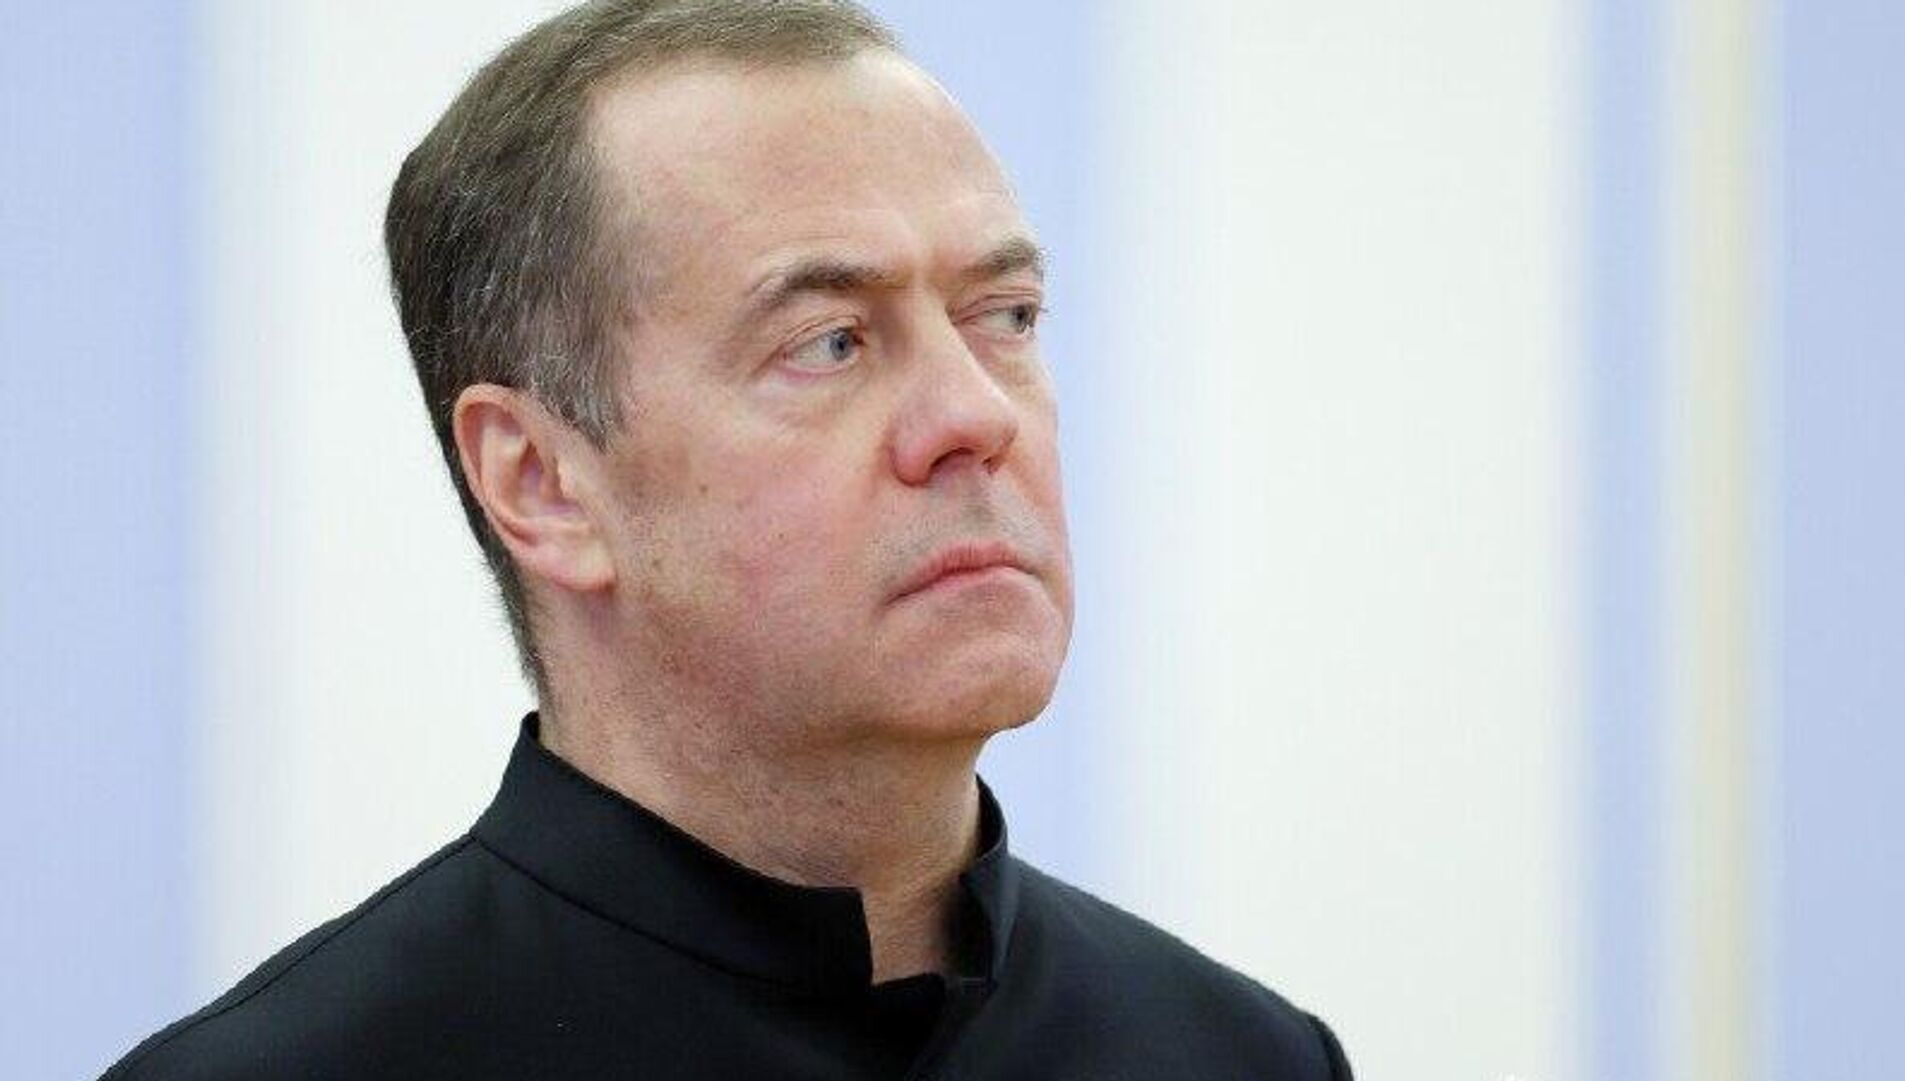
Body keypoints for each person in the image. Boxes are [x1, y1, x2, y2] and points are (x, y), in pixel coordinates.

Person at [103, 2, 1351, 1077]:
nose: (976, 415)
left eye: (1006, 315)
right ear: (542, 483)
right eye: (830, 342)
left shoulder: (1244, 1056)